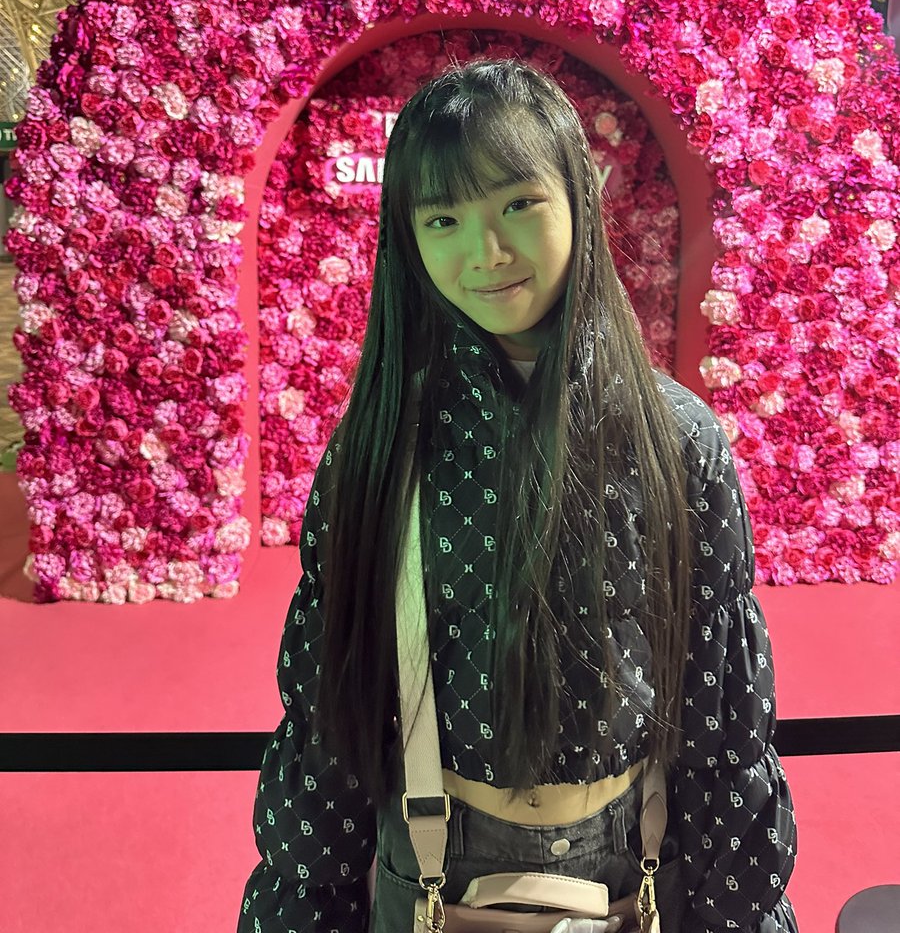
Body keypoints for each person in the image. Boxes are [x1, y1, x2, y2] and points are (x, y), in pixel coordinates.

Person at [237, 59, 798, 933]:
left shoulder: (678, 438)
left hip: (633, 864)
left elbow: (723, 729)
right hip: (431, 865)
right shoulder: (383, 444)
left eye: (518, 204)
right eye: (444, 219)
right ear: (408, 238)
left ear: (577, 196)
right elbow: (326, 729)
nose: (486, 253)